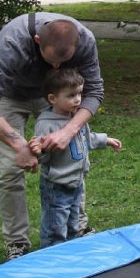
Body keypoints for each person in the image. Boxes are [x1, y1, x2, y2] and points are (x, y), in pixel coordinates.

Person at [0, 12, 104, 260]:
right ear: (37, 40)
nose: (55, 67)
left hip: (55, 98)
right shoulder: (14, 42)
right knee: (11, 170)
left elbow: (94, 91)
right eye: (51, 60)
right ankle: (17, 242)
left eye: (63, 62)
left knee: (73, 157)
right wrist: (18, 144)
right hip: (10, 95)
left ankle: (78, 226)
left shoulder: (85, 40)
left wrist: (68, 130)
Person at [28, 69, 121, 246]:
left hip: (77, 181)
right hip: (57, 185)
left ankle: (70, 251)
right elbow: (41, 155)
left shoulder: (76, 116)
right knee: (56, 226)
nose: (78, 99)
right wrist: (38, 151)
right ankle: (52, 257)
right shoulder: (46, 123)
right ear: (53, 99)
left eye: (80, 93)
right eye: (71, 95)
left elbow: (87, 137)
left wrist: (106, 140)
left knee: (73, 222)